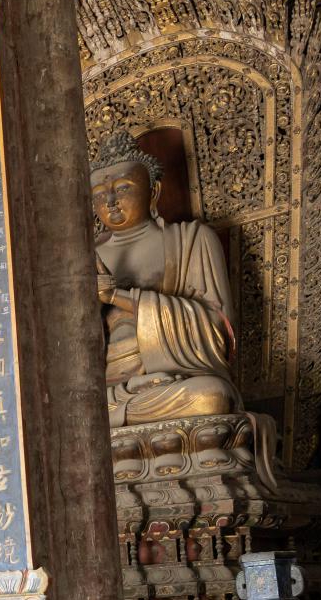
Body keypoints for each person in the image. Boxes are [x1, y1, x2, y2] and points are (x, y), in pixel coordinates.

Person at [89, 134, 241, 427]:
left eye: (123, 188)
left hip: (172, 382)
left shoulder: (191, 241)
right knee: (64, 418)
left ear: (153, 191)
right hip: (107, 392)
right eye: (97, 194)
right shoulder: (84, 259)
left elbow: (219, 328)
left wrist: (118, 297)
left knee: (212, 397)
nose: (110, 201)